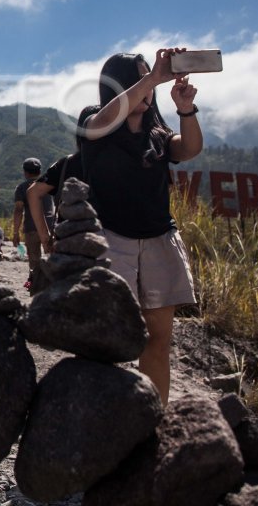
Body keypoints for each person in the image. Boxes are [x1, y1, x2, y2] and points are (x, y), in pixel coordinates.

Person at [82, 48, 203, 405]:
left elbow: (190, 148)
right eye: (137, 79)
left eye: (149, 79)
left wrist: (185, 108)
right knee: (107, 334)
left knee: (158, 338)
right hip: (110, 237)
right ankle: (103, 411)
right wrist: (151, 78)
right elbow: (100, 123)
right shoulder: (95, 120)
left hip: (159, 239)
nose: (148, 87)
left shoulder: (159, 134)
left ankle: (153, 417)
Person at [27, 106, 101, 253]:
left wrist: (46, 239)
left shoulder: (67, 163)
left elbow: (33, 193)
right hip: (107, 244)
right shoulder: (118, 163)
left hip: (67, 244)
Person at [13, 158, 54, 292]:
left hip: (31, 227)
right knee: (51, 257)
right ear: (40, 170)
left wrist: (15, 233)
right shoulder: (48, 185)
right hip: (50, 227)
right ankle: (52, 284)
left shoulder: (22, 187)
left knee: (34, 260)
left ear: (25, 172)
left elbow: (19, 210)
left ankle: (36, 286)